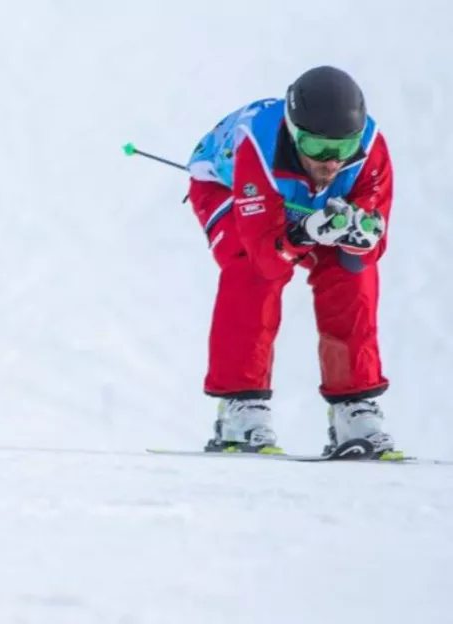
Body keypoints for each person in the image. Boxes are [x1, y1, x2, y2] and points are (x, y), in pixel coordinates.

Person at [184, 65, 398, 458]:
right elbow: (267, 258)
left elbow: (369, 248)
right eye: (317, 148)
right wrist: (302, 233)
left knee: (352, 273)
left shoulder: (371, 150)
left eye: (343, 149)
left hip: (302, 203)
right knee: (251, 271)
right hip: (228, 189)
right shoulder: (260, 146)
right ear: (294, 132)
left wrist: (360, 239)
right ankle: (239, 407)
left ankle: (353, 406)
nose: (332, 163)